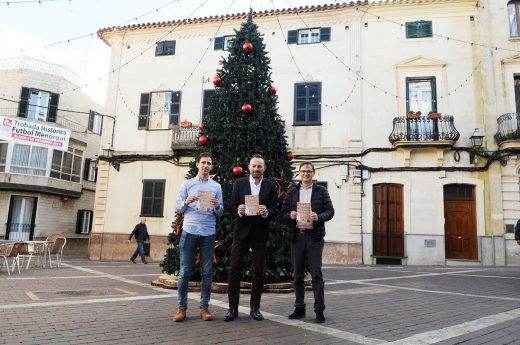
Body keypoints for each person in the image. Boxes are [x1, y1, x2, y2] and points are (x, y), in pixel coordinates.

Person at [224, 154, 278, 322]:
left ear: (264, 168)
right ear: (249, 167)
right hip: (242, 232)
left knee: (258, 271)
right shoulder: (239, 183)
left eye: (259, 167)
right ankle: (232, 308)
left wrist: (266, 211)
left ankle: (255, 308)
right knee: (234, 269)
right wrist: (238, 210)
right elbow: (232, 206)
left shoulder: (270, 185)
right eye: (254, 166)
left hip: (260, 233)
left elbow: (275, 208)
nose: (256, 169)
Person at [172, 152, 224, 322]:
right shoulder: (188, 184)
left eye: (209, 163)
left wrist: (217, 206)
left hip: (208, 232)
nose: (206, 166)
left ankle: (204, 308)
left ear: (212, 166)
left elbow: (220, 212)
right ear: (197, 165)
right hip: (189, 231)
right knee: (185, 271)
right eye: (203, 162)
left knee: (207, 272)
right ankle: (181, 308)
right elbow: (178, 208)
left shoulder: (216, 186)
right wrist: (186, 201)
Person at [282, 162, 334, 323]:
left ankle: (319, 310)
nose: (306, 174)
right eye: (303, 171)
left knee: (316, 275)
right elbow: (282, 213)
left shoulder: (321, 191)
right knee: (297, 275)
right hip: (297, 236)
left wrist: (319, 217)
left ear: (313, 173)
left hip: (314, 237)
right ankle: (299, 308)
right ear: (299, 173)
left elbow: (330, 211)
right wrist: (289, 215)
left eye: (309, 171)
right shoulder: (292, 192)